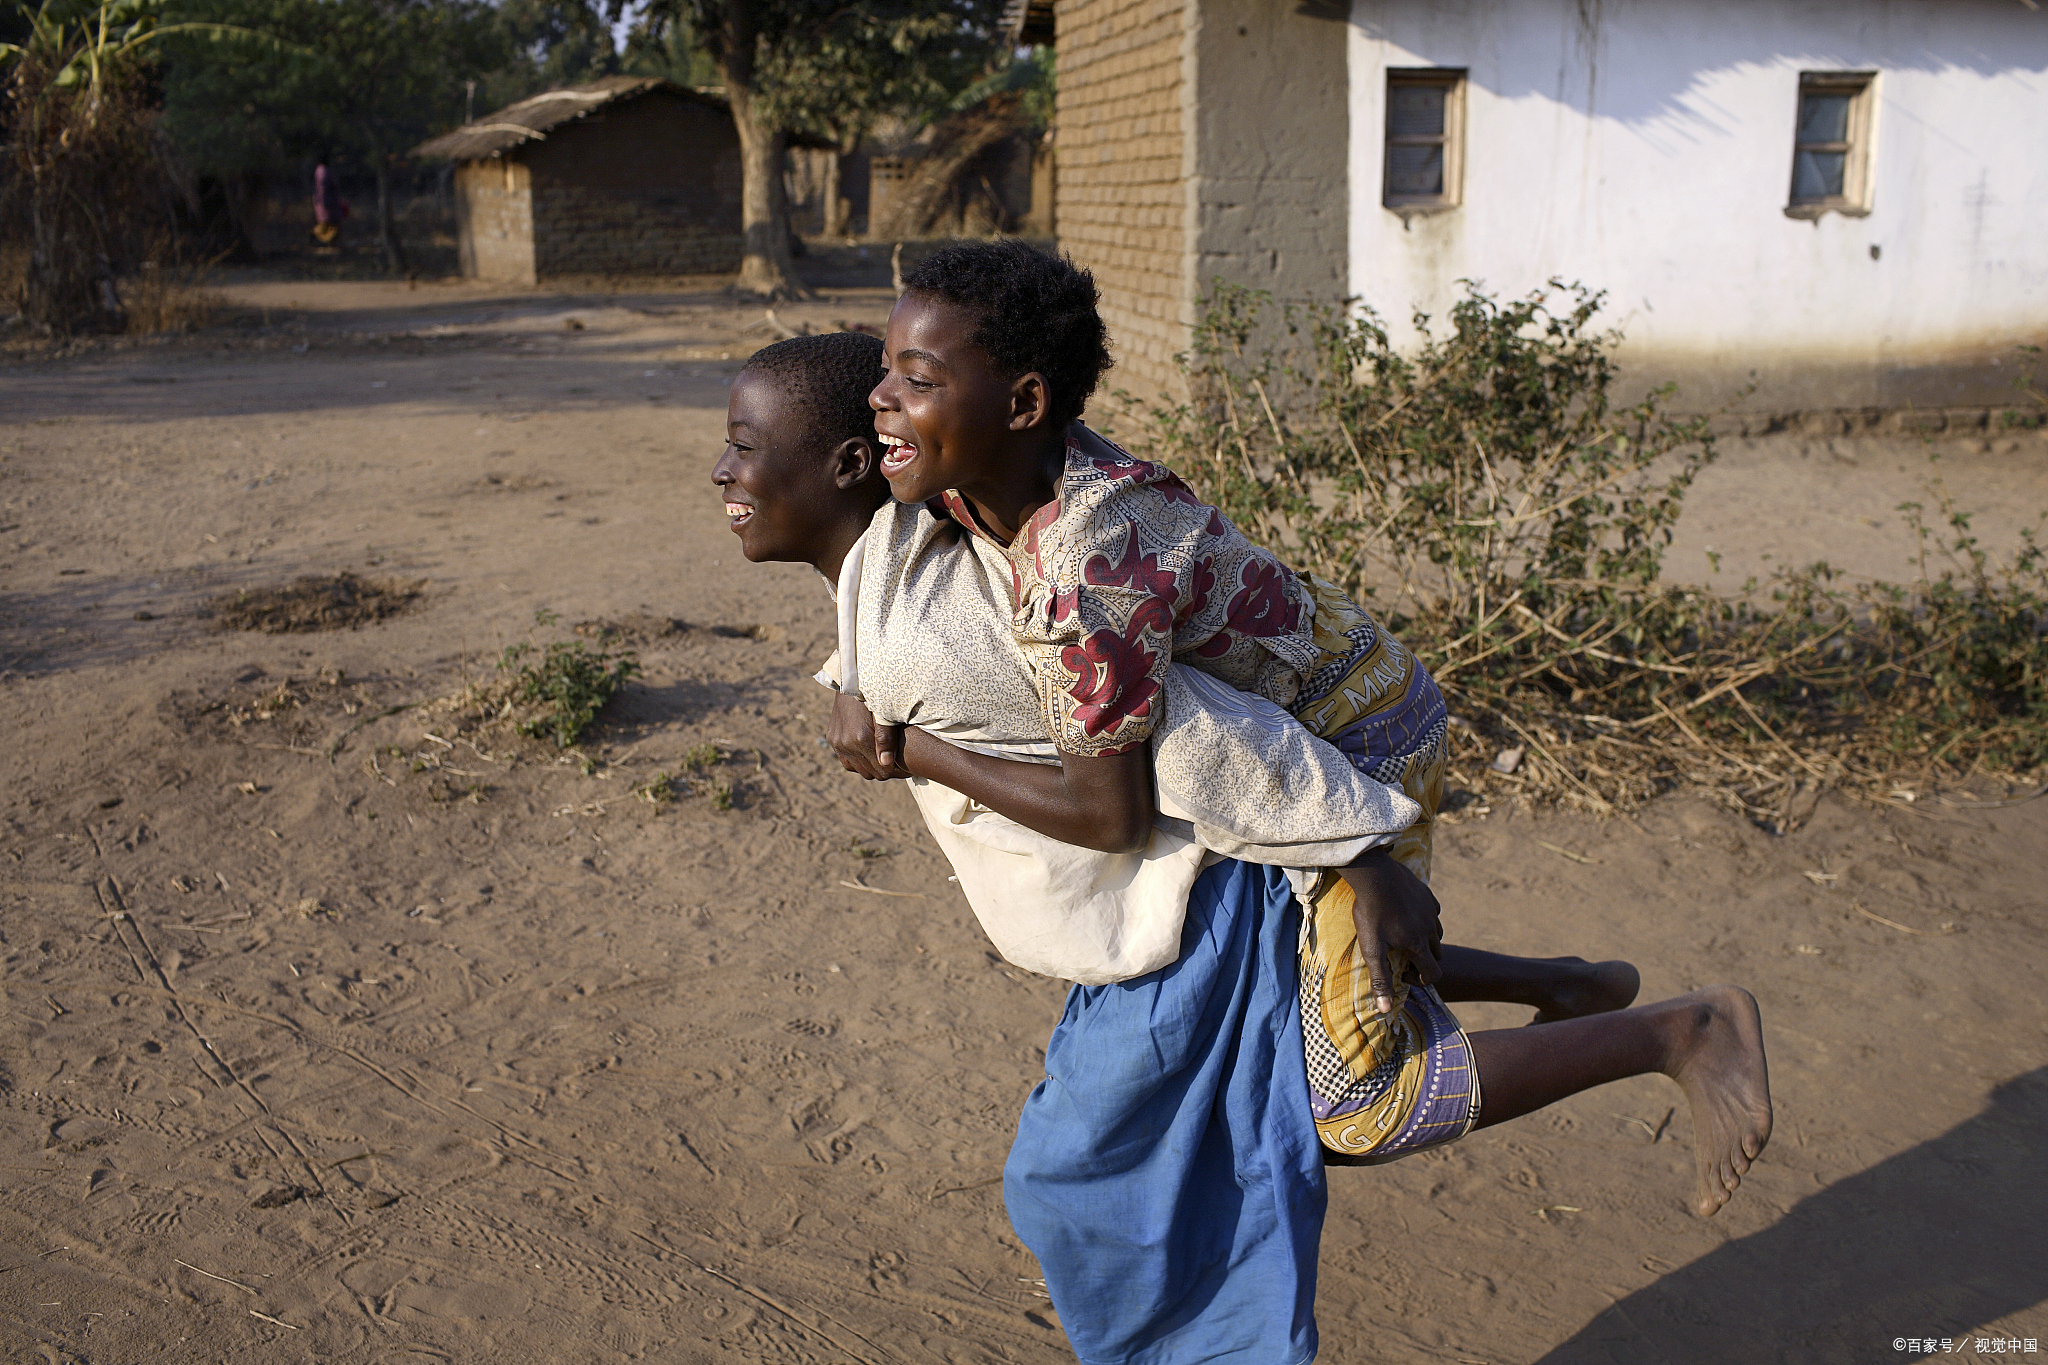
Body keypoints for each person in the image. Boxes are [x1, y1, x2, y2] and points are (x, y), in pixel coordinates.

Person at [714, 329, 1772, 1365]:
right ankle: (1565, 985)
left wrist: (1353, 852)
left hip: (1288, 811)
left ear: (851, 462)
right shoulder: (917, 549)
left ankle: (1676, 1032)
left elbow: (1204, 738)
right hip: (1250, 818)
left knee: (1342, 1108)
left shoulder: (939, 637)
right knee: (1246, 1077)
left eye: (742, 447)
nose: (719, 470)